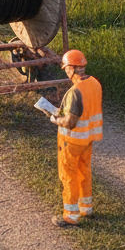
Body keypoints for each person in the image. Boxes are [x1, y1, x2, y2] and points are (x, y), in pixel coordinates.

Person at [49, 48, 103, 227]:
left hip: (71, 141)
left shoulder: (75, 92)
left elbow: (71, 122)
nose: (66, 72)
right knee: (84, 171)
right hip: (88, 139)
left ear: (72, 68)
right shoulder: (95, 83)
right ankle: (86, 207)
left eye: (66, 68)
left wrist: (55, 119)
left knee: (69, 176)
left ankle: (71, 215)